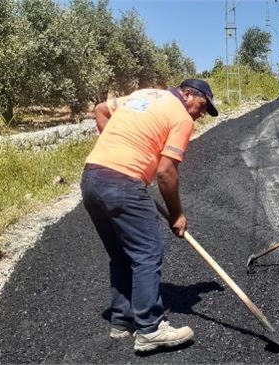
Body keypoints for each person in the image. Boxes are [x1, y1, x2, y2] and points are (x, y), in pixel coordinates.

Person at [80, 79, 218, 352]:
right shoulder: (181, 118)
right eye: (202, 106)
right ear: (187, 94)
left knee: (121, 255)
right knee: (147, 253)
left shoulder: (144, 94)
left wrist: (116, 149)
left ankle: (122, 320)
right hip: (122, 183)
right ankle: (151, 328)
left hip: (92, 178)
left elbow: (100, 110)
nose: (201, 114)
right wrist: (177, 214)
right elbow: (166, 173)